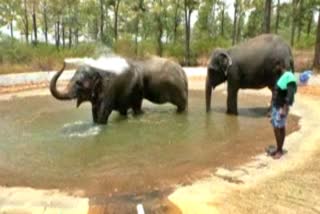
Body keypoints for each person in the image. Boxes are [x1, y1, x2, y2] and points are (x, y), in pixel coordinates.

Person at [269, 64, 297, 159]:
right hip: (276, 106)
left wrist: (285, 108)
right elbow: (277, 92)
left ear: (280, 66)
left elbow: (291, 94)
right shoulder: (281, 77)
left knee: (279, 128)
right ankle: (278, 148)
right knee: (277, 127)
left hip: (281, 107)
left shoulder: (289, 76)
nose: (274, 69)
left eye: (275, 66)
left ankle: (280, 150)